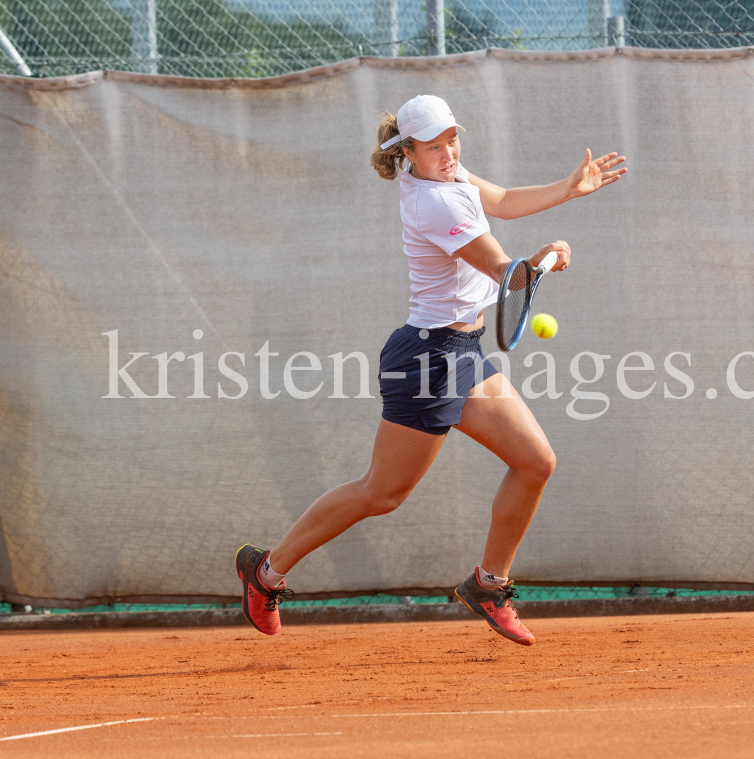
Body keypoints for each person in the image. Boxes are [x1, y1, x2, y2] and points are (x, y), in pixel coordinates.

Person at [237, 94, 626, 646]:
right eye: (433, 145)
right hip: (426, 360)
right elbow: (503, 273)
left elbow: (507, 201)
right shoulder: (433, 205)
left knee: (535, 462)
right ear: (407, 152)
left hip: (463, 352)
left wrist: (568, 189)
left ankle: (489, 585)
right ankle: (266, 571)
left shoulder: (453, 177)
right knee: (382, 494)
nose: (446, 151)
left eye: (451, 139)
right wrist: (544, 258)